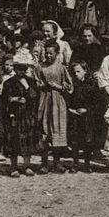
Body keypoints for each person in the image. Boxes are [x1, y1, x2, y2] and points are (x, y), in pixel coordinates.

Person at [34, 42, 72, 174]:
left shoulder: (61, 68)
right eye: (47, 53)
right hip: (44, 101)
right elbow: (36, 82)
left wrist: (57, 86)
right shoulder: (40, 67)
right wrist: (43, 85)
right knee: (44, 130)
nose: (49, 56)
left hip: (58, 102)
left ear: (57, 53)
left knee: (57, 129)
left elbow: (69, 86)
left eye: (51, 53)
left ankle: (57, 162)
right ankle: (44, 163)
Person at [66, 60, 104, 172]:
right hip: (75, 117)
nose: (76, 74)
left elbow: (97, 103)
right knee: (75, 141)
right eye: (74, 72)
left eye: (78, 71)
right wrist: (71, 109)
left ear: (85, 71)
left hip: (88, 117)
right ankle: (75, 163)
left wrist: (87, 110)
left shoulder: (92, 85)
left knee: (88, 141)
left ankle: (87, 164)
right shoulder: (74, 84)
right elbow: (69, 100)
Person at [0, 63, 38, 177]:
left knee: (27, 139)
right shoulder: (9, 82)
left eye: (23, 70)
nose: (20, 72)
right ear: (15, 69)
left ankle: (26, 165)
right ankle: (13, 166)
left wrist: (27, 87)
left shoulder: (30, 81)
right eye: (18, 69)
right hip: (14, 114)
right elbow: (3, 99)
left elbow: (35, 97)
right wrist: (12, 99)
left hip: (27, 114)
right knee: (13, 139)